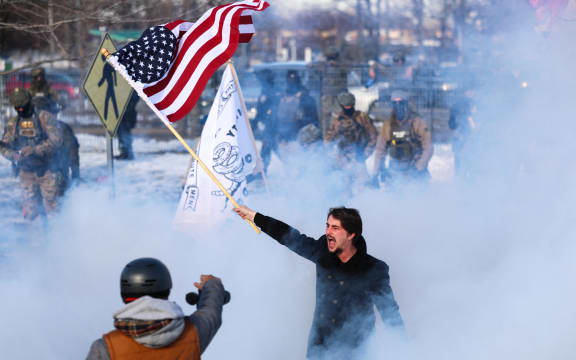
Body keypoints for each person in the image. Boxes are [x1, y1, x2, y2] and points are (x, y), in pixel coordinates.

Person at [233, 206, 403, 359]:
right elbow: (289, 237)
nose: (328, 232)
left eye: (335, 228)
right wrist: (254, 216)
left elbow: (390, 313)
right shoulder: (322, 253)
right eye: (327, 226)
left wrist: (405, 350)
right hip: (320, 347)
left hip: (357, 350)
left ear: (351, 234)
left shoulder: (374, 269)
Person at [86, 257, 227, 360]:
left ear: (124, 295)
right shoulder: (193, 334)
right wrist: (211, 284)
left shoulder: (106, 348)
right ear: (167, 291)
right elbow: (211, 311)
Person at [0, 88, 64, 221]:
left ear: (29, 103)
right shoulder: (13, 124)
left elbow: (57, 141)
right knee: (30, 214)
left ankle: (56, 238)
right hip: (26, 173)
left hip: (48, 170)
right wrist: (14, 155)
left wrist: (35, 150)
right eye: (18, 109)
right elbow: (4, 147)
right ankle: (35, 240)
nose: (21, 111)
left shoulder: (45, 118)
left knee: (54, 212)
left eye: (23, 107)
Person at [373, 90, 433, 186]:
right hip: (395, 171)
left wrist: (419, 167)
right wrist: (375, 173)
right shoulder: (388, 125)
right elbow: (380, 150)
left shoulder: (417, 122)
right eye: (395, 103)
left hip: (414, 169)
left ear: (406, 103)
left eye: (401, 102)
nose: (398, 105)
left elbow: (428, 148)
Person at [32, 95, 80, 189]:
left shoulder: (63, 129)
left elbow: (72, 151)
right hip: (38, 176)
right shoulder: (29, 128)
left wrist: (75, 174)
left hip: (55, 176)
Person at [276, 70, 318, 144]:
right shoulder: (284, 94)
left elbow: (312, 116)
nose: (291, 80)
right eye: (289, 78)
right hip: (287, 128)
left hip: (300, 128)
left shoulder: (304, 95)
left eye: (293, 78)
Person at [314, 47, 348, 136]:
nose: (331, 60)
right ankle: (326, 138)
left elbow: (349, 69)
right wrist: (324, 64)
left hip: (339, 96)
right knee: (325, 119)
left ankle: (341, 138)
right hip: (327, 95)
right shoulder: (323, 65)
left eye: (333, 57)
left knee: (341, 118)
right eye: (330, 58)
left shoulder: (342, 65)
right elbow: (311, 67)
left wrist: (338, 65)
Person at [251, 69, 280, 173]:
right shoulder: (265, 90)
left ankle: (291, 170)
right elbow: (260, 110)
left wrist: (271, 126)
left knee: (274, 149)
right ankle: (262, 171)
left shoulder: (272, 91)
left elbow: (271, 110)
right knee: (266, 150)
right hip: (268, 125)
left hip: (272, 126)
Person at [115, 92, 139, 160]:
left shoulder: (132, 89)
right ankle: (124, 153)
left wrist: (125, 108)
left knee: (125, 134)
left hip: (128, 115)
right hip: (122, 114)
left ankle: (127, 154)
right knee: (121, 133)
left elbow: (134, 99)